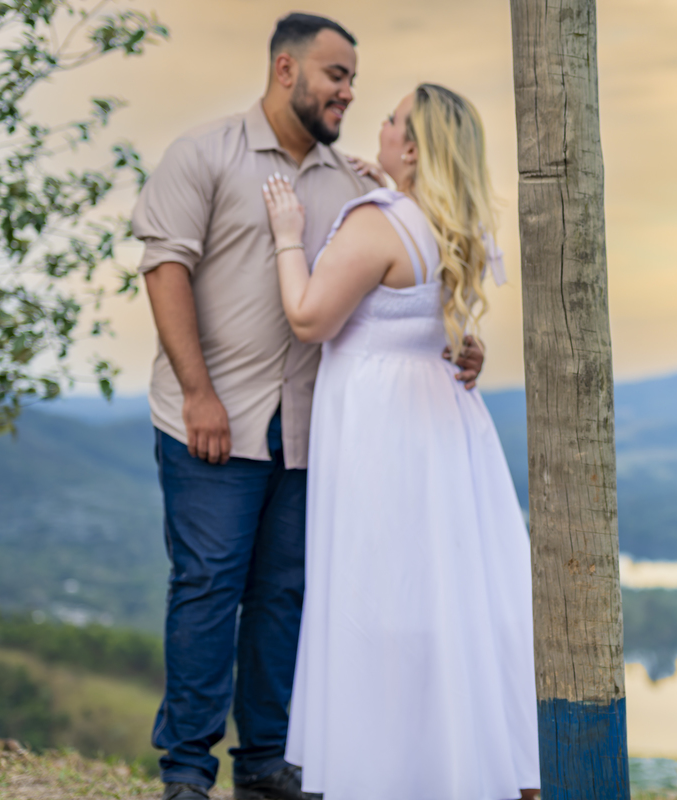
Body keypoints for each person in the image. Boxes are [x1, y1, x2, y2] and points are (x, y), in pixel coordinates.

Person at [133, 15, 486, 800]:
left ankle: (264, 762)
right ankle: (187, 772)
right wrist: (198, 394)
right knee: (207, 588)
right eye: (336, 76)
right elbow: (164, 270)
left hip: (309, 431)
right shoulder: (203, 154)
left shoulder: (356, 185)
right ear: (287, 70)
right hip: (210, 420)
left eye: (355, 80)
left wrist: (458, 343)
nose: (349, 93)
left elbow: (405, 286)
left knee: (284, 594)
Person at [261, 84, 539, 799]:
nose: (378, 128)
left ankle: (391, 766)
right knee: (448, 598)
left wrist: (289, 234)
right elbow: (427, 317)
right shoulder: (451, 222)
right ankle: (456, 759)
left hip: (382, 431)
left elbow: (310, 318)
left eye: (389, 121)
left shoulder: (376, 225)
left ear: (412, 147)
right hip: (443, 429)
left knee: (381, 597)